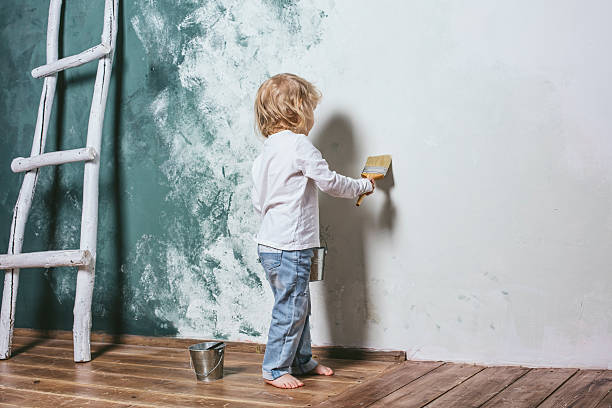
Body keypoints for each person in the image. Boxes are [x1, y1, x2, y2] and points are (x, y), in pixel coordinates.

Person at [251, 73, 375, 389]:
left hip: (271, 245)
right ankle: (275, 368)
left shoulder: (266, 152)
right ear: (298, 110)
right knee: (291, 308)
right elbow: (330, 182)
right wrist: (363, 185)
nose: (313, 117)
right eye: (311, 109)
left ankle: (301, 361)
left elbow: (258, 201)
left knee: (296, 305)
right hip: (290, 246)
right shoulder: (298, 145)